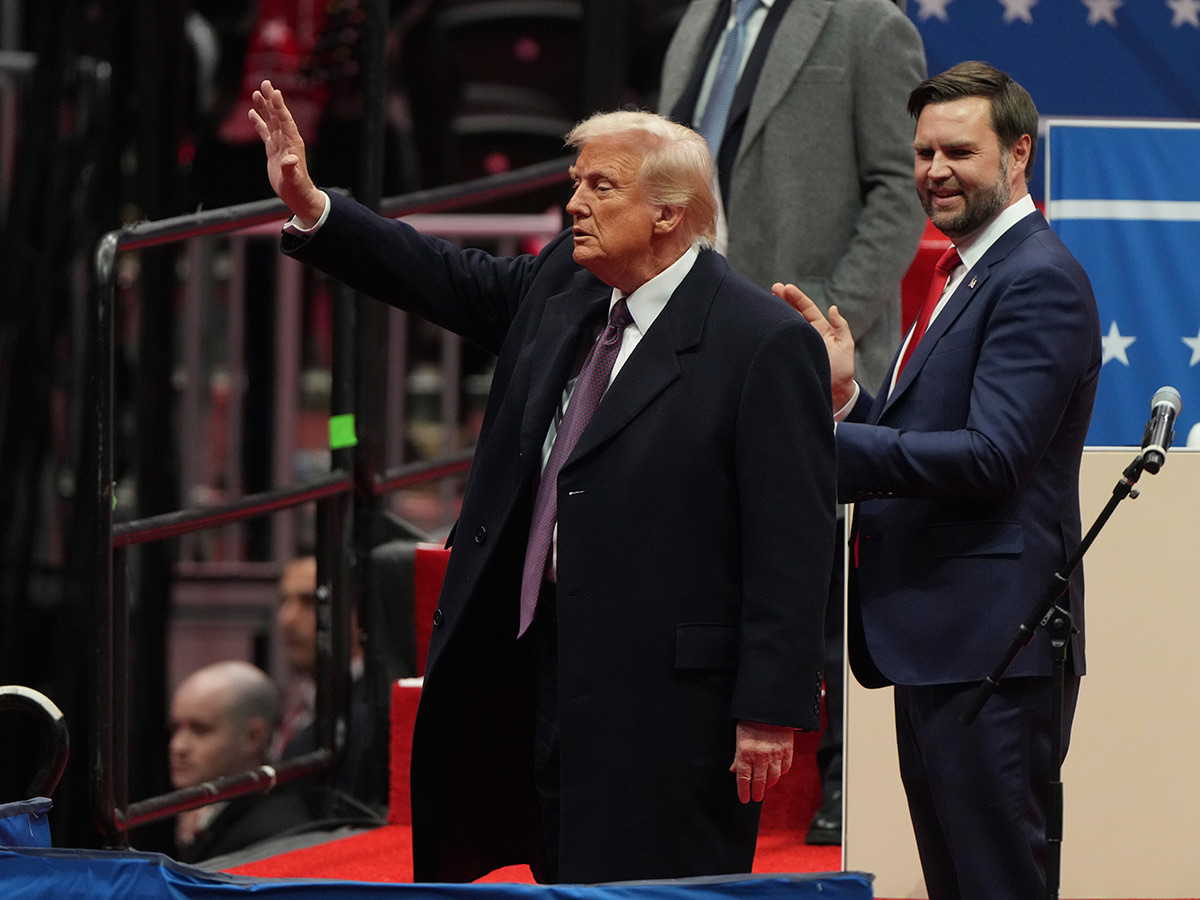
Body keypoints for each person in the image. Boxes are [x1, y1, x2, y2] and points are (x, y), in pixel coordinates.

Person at [250, 80, 837, 884]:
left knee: (656, 885)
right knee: (558, 869)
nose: (574, 206)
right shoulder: (567, 281)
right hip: (536, 657)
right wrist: (316, 207)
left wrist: (769, 709)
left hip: (666, 697)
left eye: (601, 187)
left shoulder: (760, 342)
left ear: (669, 212)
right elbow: (445, 277)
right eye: (575, 184)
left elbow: (792, 540)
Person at [777, 61, 1101, 900]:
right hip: (942, 640)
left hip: (994, 645)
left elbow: (994, 457)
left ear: (1018, 154)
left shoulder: (1036, 276)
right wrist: (848, 397)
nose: (934, 172)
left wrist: (821, 447)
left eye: (958, 151)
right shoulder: (965, 268)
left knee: (994, 882)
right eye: (922, 153)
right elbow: (935, 437)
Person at [659, 0, 928, 843]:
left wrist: (823, 323)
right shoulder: (701, 16)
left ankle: (848, 781)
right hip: (688, 331)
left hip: (805, 334)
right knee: (704, 546)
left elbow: (899, 187)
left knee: (822, 558)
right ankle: (679, 757)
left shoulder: (868, 24)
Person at [169, 660, 312, 864]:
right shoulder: (210, 815)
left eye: (200, 729)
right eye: (176, 728)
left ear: (253, 737)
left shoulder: (268, 837)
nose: (178, 746)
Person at [271, 556, 377, 807]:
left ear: (359, 614)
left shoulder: (367, 716)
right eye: (284, 601)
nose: (286, 619)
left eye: (309, 603)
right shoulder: (303, 698)